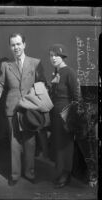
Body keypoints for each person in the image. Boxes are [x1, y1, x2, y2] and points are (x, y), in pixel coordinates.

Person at [0, 33, 46, 186]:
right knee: (14, 142)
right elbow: (0, 83)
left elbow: (42, 84)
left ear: (24, 44)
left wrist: (35, 101)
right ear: (10, 47)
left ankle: (30, 173)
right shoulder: (6, 66)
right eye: (13, 45)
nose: (16, 47)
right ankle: (14, 175)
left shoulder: (36, 63)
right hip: (13, 109)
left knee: (30, 142)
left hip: (30, 109)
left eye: (18, 44)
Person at [49, 44, 79, 188]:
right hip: (55, 114)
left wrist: (71, 116)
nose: (53, 58)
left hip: (66, 114)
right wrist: (52, 84)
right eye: (51, 55)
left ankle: (66, 174)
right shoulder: (56, 73)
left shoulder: (69, 72)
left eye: (56, 55)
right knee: (58, 144)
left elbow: (77, 96)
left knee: (66, 145)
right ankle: (61, 172)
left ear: (62, 57)